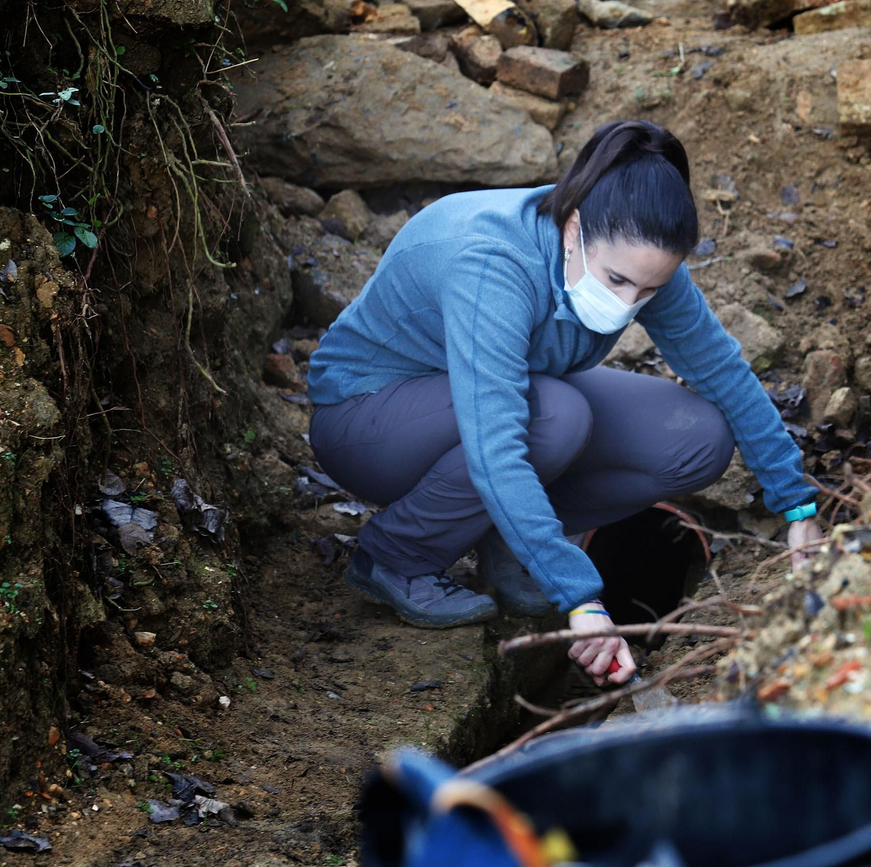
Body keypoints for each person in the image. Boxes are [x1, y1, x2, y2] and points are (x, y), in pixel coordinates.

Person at [306, 120, 823, 686]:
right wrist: (581, 598)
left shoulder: (640, 258)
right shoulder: (492, 264)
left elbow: (720, 369)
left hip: (502, 397)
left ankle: (511, 539)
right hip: (370, 419)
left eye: (647, 291)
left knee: (696, 438)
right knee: (553, 416)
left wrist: (797, 506)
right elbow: (497, 443)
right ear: (574, 229)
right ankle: (394, 556)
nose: (629, 305)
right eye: (618, 281)